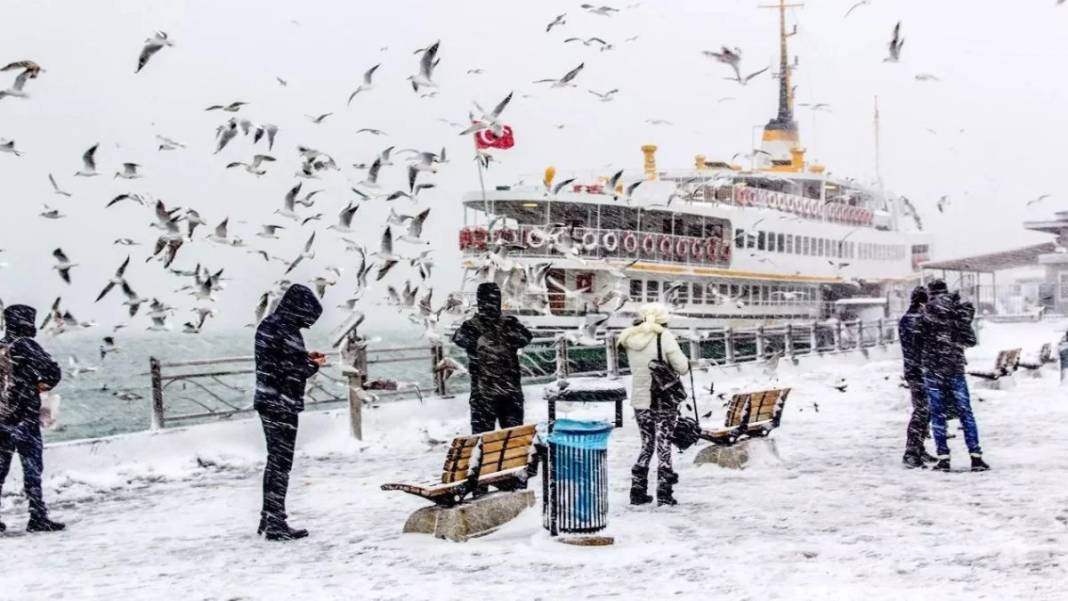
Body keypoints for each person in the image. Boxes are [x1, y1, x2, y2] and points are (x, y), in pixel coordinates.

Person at [253, 284, 324, 541]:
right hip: (282, 403)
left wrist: (303, 356)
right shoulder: (286, 329)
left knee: (275, 461)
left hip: (267, 400)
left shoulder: (270, 324)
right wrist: (312, 365)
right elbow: (293, 369)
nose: (308, 324)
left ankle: (268, 516)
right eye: (307, 318)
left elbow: (277, 359)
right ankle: (275, 523)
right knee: (281, 464)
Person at [0, 304, 64, 533]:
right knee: (32, 470)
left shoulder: (1, 345)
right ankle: (37, 517)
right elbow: (52, 372)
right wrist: (38, 384)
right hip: (24, 417)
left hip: (1, 418)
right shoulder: (26, 345)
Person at [618, 303, 689, 506]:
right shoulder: (663, 336)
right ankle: (664, 493)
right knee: (664, 445)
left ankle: (637, 491)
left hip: (640, 400)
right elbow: (682, 367)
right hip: (662, 399)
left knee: (647, 444)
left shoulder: (629, 338)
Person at [918, 280, 990, 472]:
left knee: (937, 414)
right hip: (955, 369)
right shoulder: (958, 312)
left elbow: (918, 342)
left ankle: (943, 458)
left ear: (930, 293)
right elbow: (971, 340)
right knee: (966, 413)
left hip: (933, 370)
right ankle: (976, 458)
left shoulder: (924, 313)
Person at [452, 282, 533, 434]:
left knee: (481, 441)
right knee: (513, 439)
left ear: (479, 301)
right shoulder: (511, 324)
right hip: (511, 394)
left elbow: (458, 339)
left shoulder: (469, 327)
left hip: (482, 396)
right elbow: (526, 338)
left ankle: (483, 457)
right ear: (499, 300)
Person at [898, 286, 936, 469]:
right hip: (918, 372)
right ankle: (911, 452)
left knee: (924, 410)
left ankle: (918, 448)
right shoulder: (915, 320)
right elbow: (922, 345)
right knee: (922, 411)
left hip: (915, 371)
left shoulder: (910, 318)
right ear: (923, 301)